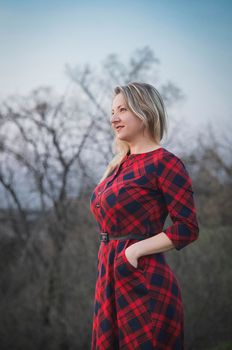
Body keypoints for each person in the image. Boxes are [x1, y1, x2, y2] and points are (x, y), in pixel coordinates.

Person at [89, 82, 199, 349]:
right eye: (113, 111)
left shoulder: (164, 163)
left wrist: (133, 252)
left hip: (143, 280)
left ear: (145, 111)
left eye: (122, 110)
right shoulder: (119, 164)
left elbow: (187, 227)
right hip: (109, 277)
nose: (113, 117)